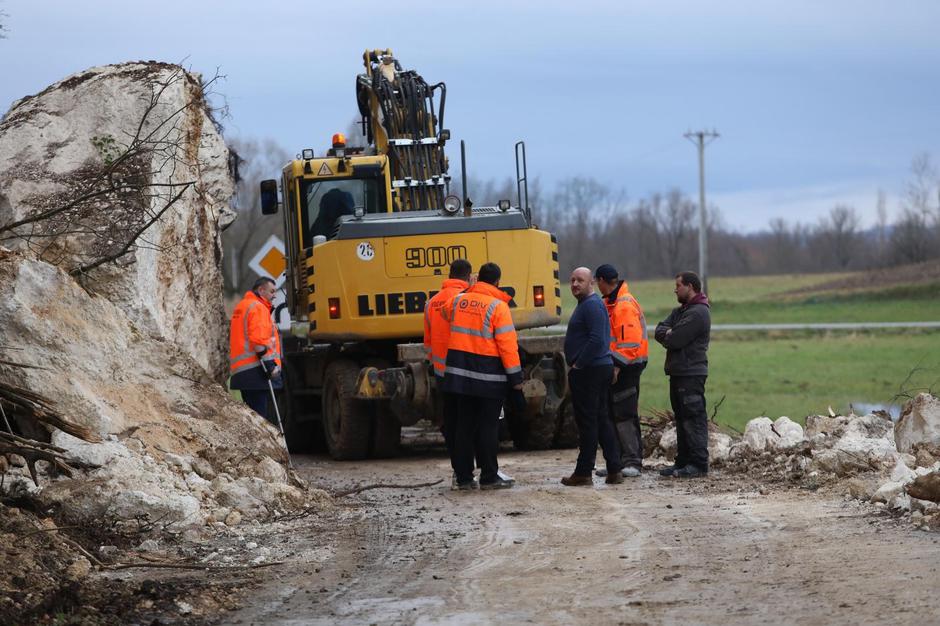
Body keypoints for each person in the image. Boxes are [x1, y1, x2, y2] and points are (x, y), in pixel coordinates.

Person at [441, 262, 521, 490]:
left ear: (477, 280)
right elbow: (508, 346)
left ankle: (464, 478)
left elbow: (446, 312)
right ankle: (488, 476)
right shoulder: (498, 307)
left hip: (459, 377)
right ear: (497, 281)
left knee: (464, 427)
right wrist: (515, 380)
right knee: (488, 427)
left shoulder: (458, 300)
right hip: (488, 379)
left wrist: (469, 290)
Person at [561, 267, 622, 486]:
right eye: (572, 280)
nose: (575, 284)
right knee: (600, 418)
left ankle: (584, 472)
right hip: (595, 369)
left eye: (580, 280)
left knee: (588, 422)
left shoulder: (592, 305)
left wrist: (578, 364)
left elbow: (597, 340)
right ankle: (615, 468)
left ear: (592, 283)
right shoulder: (588, 305)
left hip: (591, 371)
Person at [654, 271, 711, 478]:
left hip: (691, 373)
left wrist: (670, 333)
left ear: (690, 287)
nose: (675, 289)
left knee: (693, 419)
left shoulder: (698, 313)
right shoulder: (681, 312)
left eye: (678, 285)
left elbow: (675, 339)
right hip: (678, 372)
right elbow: (659, 330)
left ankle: (698, 464)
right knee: (682, 419)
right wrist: (668, 332)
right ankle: (683, 462)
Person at [593, 264, 648, 479]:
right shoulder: (612, 303)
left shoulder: (623, 306)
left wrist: (616, 366)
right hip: (618, 366)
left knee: (624, 415)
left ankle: (632, 462)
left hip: (626, 368)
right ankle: (616, 462)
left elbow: (629, 345)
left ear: (602, 281)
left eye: (597, 281)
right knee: (612, 415)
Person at [423, 259, 473, 473]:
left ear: (449, 275)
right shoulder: (467, 300)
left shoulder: (431, 302)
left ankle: (458, 469)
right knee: (468, 421)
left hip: (442, 372)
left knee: (451, 420)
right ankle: (469, 468)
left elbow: (428, 343)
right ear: (468, 276)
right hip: (465, 370)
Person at [229, 277, 283, 423]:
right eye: (271, 291)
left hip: (241, 372)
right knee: (261, 419)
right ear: (261, 290)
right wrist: (271, 367)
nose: (274, 295)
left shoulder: (242, 306)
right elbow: (258, 341)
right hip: (257, 371)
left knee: (252, 418)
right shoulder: (258, 308)